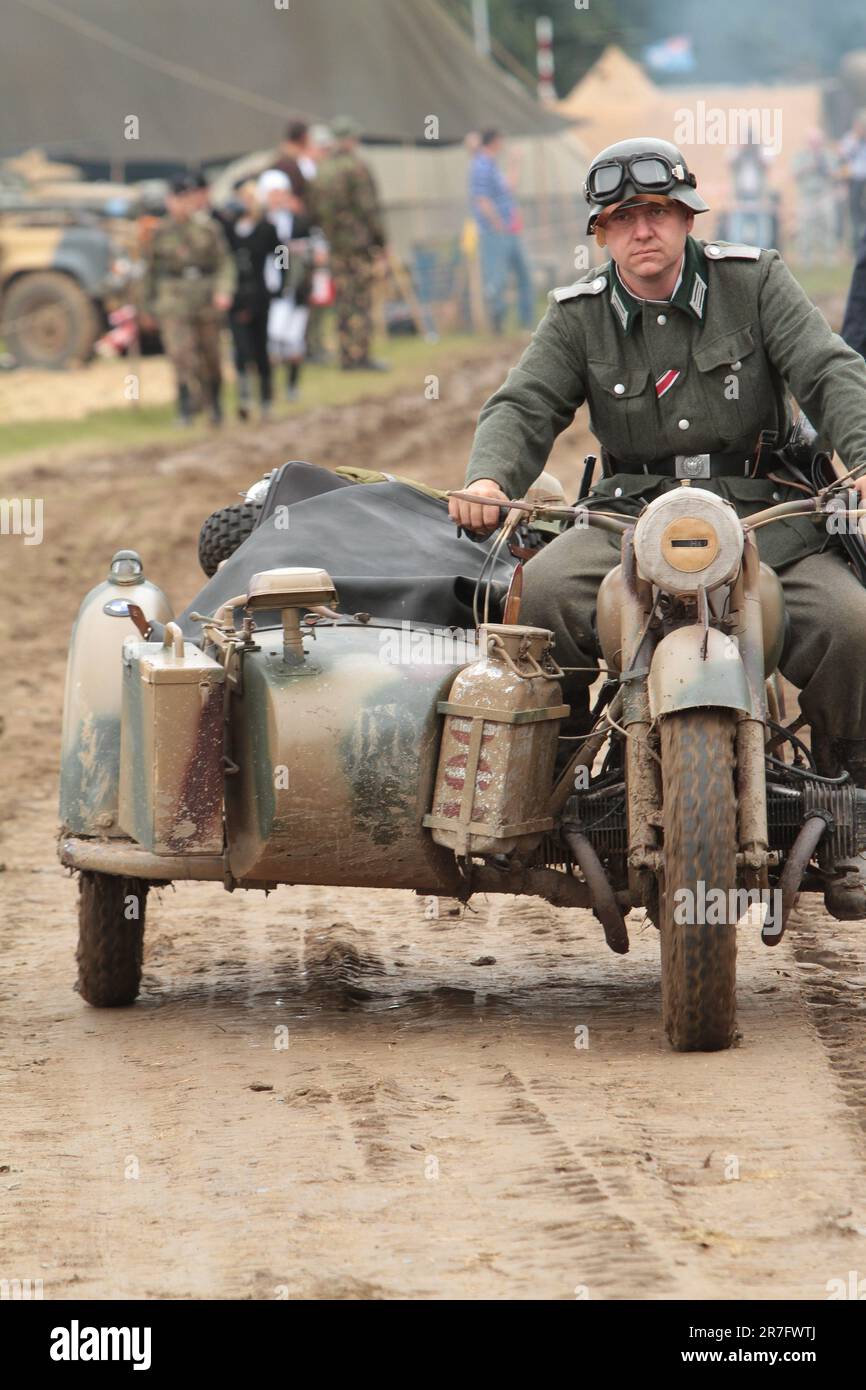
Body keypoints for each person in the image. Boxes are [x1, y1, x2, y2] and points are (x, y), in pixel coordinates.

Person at [450, 135, 866, 919]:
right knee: (539, 596)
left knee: (851, 623)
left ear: (686, 219)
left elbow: (829, 368)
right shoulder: (577, 317)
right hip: (628, 518)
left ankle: (851, 814)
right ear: (601, 234)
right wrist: (487, 479)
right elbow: (524, 404)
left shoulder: (755, 281)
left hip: (762, 514)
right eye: (623, 218)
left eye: (659, 213)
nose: (644, 230)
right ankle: (559, 786)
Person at [142, 171, 235, 425]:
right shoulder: (160, 231)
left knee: (211, 355)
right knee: (180, 354)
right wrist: (147, 308)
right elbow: (150, 271)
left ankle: (215, 405)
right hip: (173, 300)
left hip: (204, 297)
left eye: (186, 198)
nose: (182, 204)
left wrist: (223, 291)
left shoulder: (208, 228)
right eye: (177, 198)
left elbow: (224, 263)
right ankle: (185, 408)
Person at [314, 115, 389, 371]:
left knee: (343, 302)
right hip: (358, 245)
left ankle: (346, 355)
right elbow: (370, 209)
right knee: (360, 300)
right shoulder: (356, 167)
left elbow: (317, 211)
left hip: (335, 246)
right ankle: (360, 356)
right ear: (347, 139)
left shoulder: (322, 169)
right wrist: (381, 242)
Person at [223, 180, 280, 421]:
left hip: (259, 295)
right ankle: (244, 399)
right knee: (241, 348)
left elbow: (280, 253)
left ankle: (266, 400)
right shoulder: (227, 229)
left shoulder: (266, 228)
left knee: (260, 349)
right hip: (235, 297)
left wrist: (282, 283)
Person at [469, 128, 534, 334]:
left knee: (524, 275)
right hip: (495, 232)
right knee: (497, 281)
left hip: (510, 230)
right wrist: (497, 223)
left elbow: (508, 188)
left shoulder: (492, 165)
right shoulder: (480, 165)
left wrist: (515, 162)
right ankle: (496, 325)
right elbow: (481, 199)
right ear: (494, 141)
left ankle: (526, 324)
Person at [258, 169, 312, 400]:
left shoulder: (299, 222)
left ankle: (292, 386)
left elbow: (313, 251)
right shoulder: (259, 224)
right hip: (269, 290)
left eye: (281, 192)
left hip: (295, 288)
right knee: (272, 339)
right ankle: (268, 388)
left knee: (294, 340)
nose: (278, 197)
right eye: (273, 192)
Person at [792, 130, 840, 266]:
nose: (815, 144)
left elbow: (835, 173)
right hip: (806, 196)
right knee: (804, 227)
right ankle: (805, 257)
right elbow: (794, 174)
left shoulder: (828, 156)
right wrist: (808, 167)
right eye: (812, 142)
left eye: (817, 141)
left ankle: (830, 256)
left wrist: (824, 168)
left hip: (824, 195)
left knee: (829, 225)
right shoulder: (801, 156)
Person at [840, 109, 866, 250]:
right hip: (855, 181)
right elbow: (844, 158)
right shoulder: (849, 139)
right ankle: (856, 245)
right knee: (855, 214)